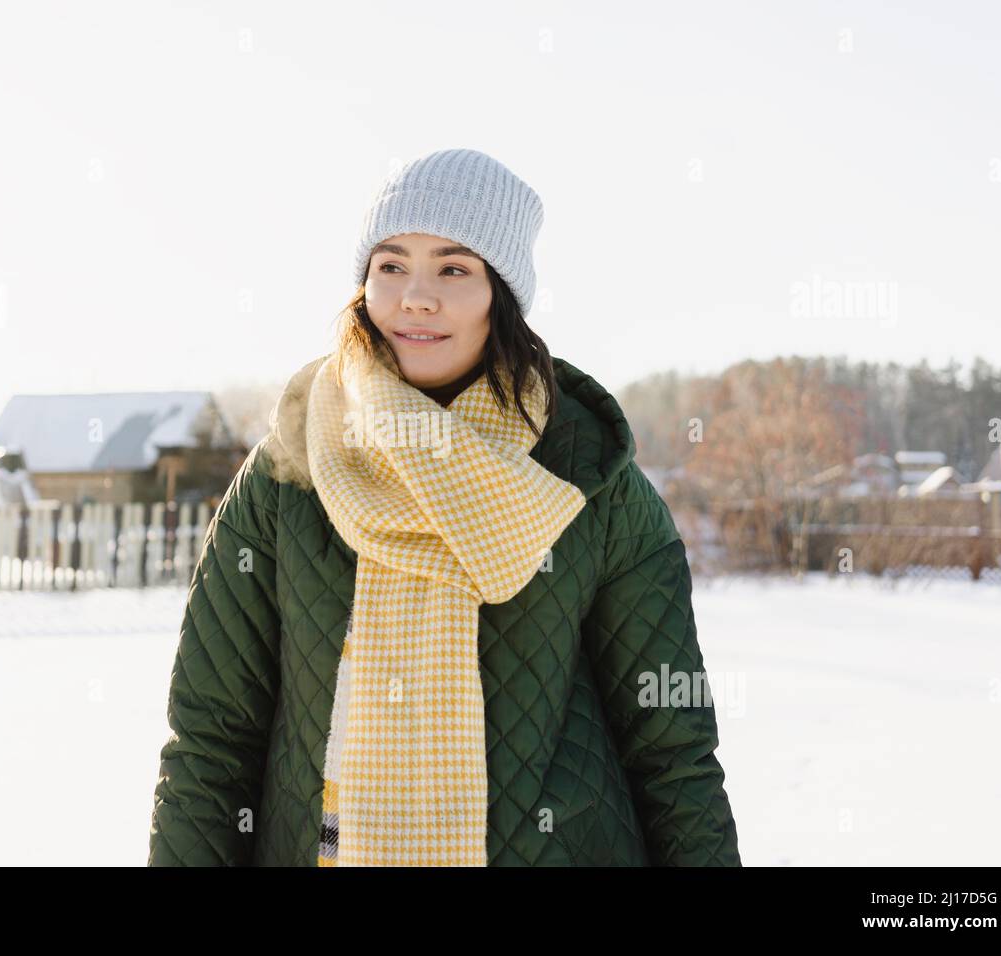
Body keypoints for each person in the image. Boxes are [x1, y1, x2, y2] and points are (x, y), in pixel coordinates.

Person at [148, 148, 741, 866]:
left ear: (502, 293)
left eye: (453, 269)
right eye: (390, 265)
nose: (414, 298)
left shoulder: (592, 484)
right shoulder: (288, 474)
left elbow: (672, 752)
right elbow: (211, 744)